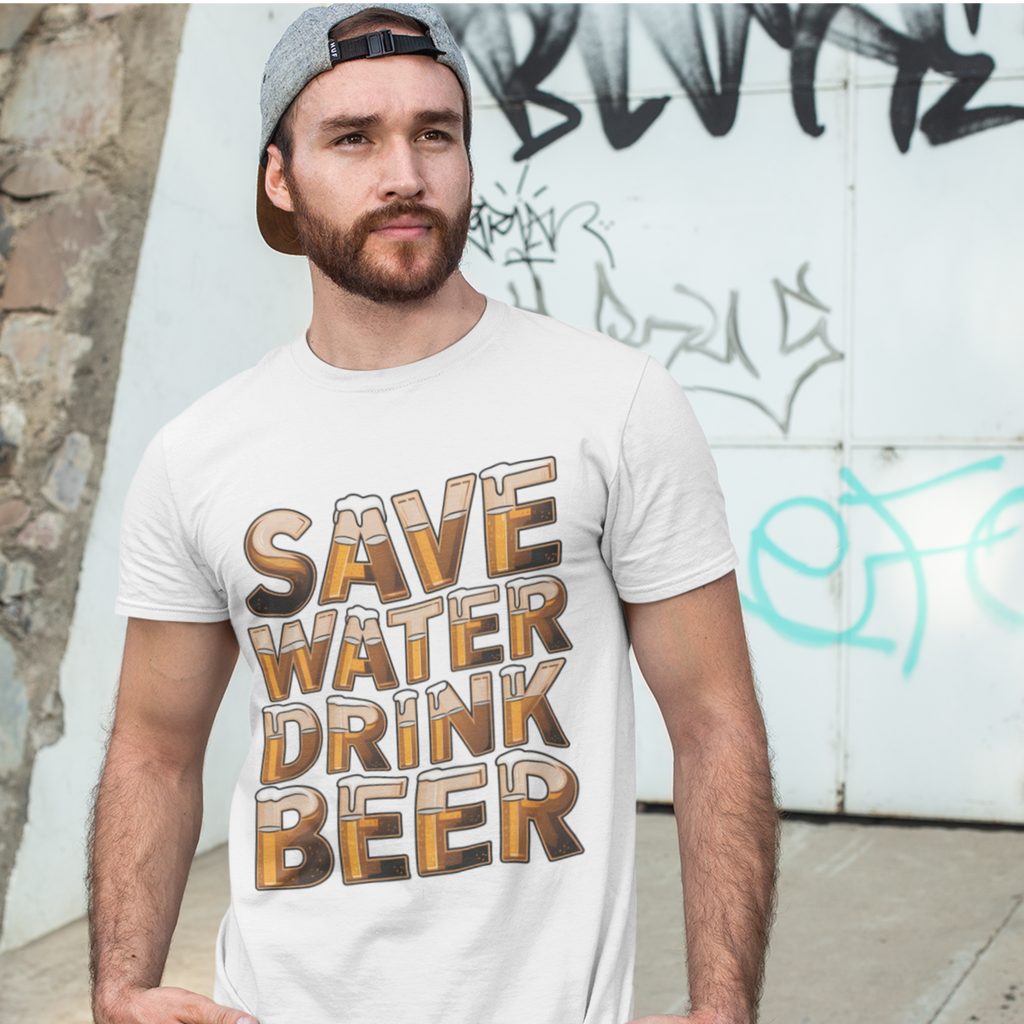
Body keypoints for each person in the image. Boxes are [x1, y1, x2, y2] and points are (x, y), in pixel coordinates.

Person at [88, 2, 778, 1023]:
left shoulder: (613, 402)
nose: (404, 172)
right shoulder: (200, 454)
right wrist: (119, 987)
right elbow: (153, 746)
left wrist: (723, 1005)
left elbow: (715, 722)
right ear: (280, 176)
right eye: (353, 137)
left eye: (435, 133)